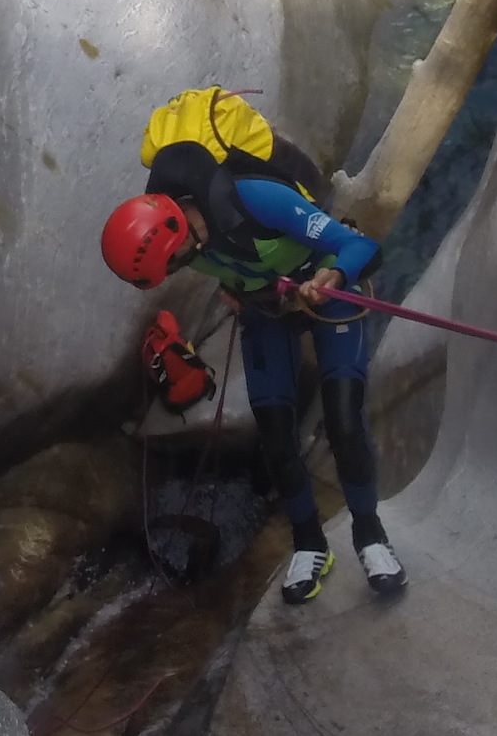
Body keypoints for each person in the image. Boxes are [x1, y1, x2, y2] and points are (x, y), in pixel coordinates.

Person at [99, 88, 407, 605]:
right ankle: (309, 545)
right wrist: (257, 296)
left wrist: (330, 274)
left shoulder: (258, 199)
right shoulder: (189, 248)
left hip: (325, 289)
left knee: (344, 420)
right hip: (268, 310)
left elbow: (360, 247)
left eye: (173, 264)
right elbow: (231, 277)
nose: (178, 273)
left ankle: (370, 535)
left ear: (177, 236)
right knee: (277, 436)